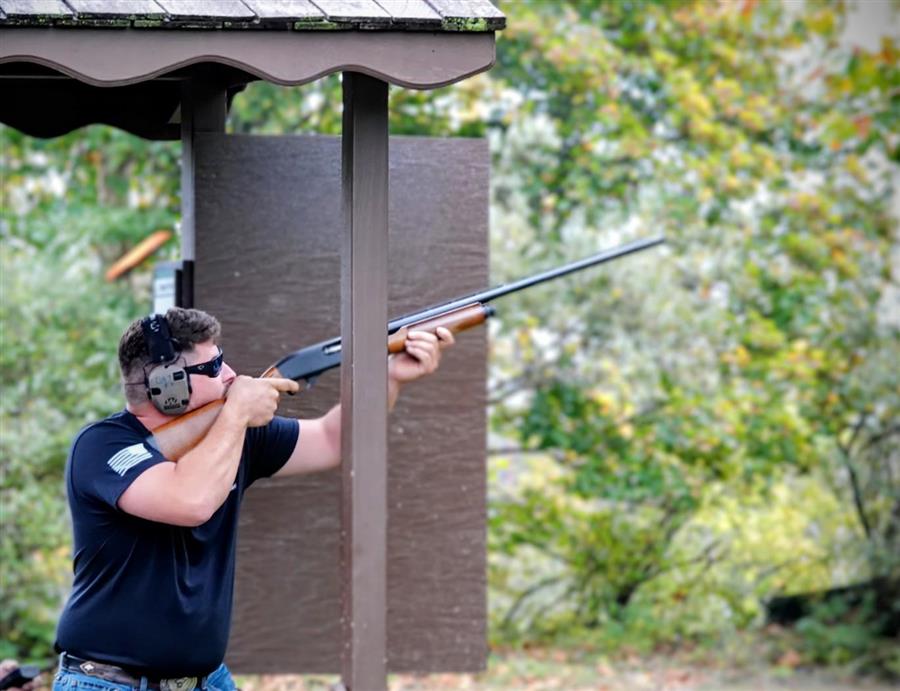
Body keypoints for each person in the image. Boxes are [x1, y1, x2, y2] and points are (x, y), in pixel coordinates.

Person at [52, 307, 454, 691]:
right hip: (106, 682)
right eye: (213, 367)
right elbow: (191, 501)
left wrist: (389, 377)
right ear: (168, 385)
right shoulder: (102, 446)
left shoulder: (234, 434)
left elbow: (334, 441)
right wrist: (237, 414)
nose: (231, 374)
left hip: (205, 679)